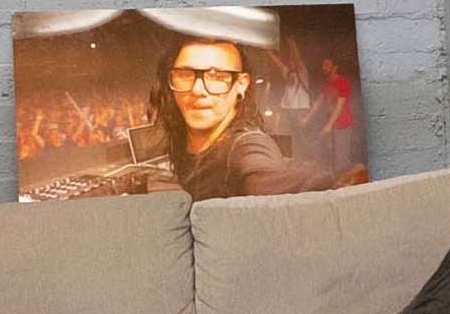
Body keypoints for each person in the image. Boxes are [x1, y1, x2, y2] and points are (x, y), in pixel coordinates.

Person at [112, 38, 349, 199]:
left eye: (216, 76)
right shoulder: (182, 137)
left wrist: (340, 186)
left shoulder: (245, 147)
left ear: (241, 85)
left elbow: (266, 178)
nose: (197, 89)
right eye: (185, 74)